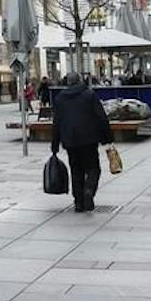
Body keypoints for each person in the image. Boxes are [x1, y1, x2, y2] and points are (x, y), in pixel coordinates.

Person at [50, 73, 111, 212]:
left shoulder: (60, 98)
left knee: (76, 170)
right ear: (80, 81)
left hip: (70, 140)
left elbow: (57, 122)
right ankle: (89, 190)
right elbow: (101, 116)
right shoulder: (89, 95)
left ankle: (78, 202)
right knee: (93, 168)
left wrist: (55, 143)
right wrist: (107, 137)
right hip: (89, 139)